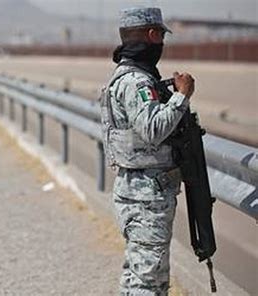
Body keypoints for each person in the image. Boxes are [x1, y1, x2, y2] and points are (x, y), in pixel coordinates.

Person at [99, 7, 195, 295]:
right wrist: (181, 96)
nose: (161, 43)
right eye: (161, 36)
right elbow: (153, 129)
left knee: (138, 273)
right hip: (147, 195)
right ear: (153, 35)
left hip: (136, 189)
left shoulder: (124, 75)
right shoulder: (137, 81)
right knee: (148, 280)